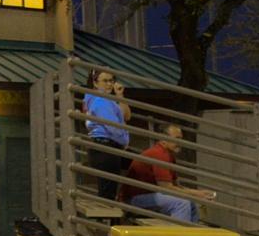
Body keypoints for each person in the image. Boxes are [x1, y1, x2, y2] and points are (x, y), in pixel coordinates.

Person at [120, 124, 206, 223]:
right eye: (177, 138)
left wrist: (198, 194)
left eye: (181, 139)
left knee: (191, 203)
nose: (180, 142)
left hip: (149, 195)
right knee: (181, 204)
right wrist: (196, 194)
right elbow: (166, 187)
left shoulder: (169, 155)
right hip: (133, 199)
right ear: (163, 139)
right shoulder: (159, 154)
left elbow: (175, 186)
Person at [82, 70, 132, 201]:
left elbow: (127, 116)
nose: (110, 84)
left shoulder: (106, 100)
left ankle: (126, 201)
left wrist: (120, 95)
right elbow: (113, 128)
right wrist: (124, 143)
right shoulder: (101, 101)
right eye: (105, 81)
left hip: (106, 146)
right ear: (95, 83)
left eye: (112, 80)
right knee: (108, 193)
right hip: (106, 146)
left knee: (108, 190)